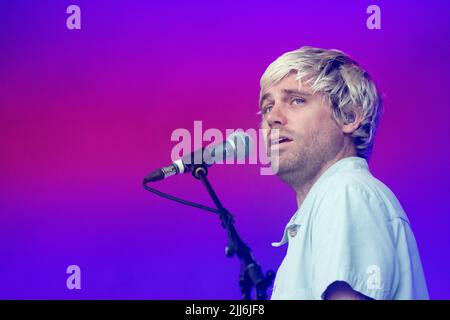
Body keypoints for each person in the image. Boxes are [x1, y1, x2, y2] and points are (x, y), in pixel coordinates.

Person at [259, 46, 428, 300]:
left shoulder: (345, 192)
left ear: (348, 117)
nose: (272, 117)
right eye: (267, 107)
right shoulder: (334, 199)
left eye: (296, 100)